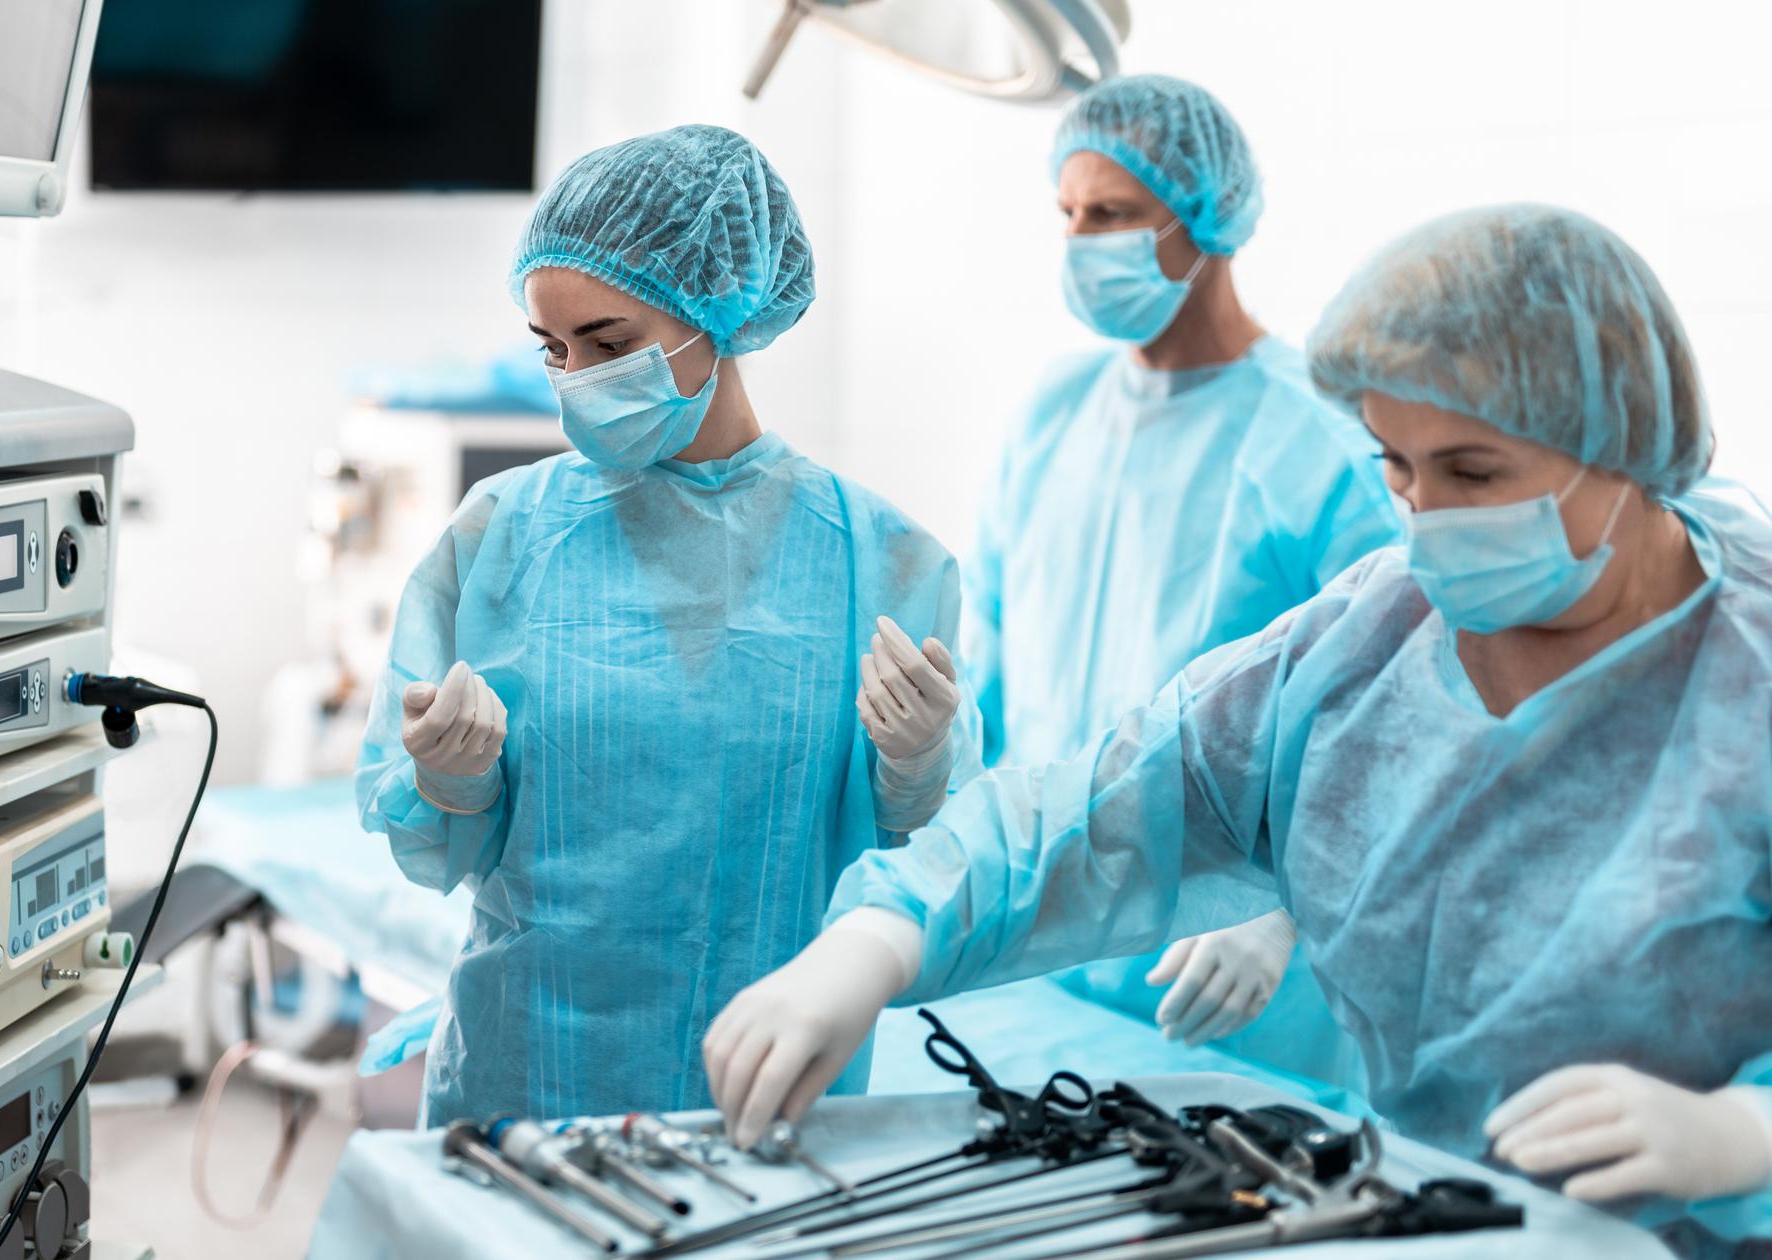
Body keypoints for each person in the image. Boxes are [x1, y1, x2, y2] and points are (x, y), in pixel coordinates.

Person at [705, 204, 1772, 1255]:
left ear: (1628, 441)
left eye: (1473, 472)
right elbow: (1098, 810)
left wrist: (1743, 1134)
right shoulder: (1366, 642)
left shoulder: (1746, 684)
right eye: (1394, 465)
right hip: (1431, 1222)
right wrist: (878, 940)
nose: (1425, 515)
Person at [358, 124, 972, 1126]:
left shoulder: (882, 559)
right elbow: (434, 847)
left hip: (768, 1081)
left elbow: (924, 874)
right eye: (553, 349)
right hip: (527, 1077)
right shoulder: (498, 536)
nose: (576, 379)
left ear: (718, 314)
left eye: (608, 346)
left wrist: (917, 767)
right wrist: (449, 781)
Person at [961, 74, 1397, 1079]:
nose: (1082, 242)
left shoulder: (1317, 441)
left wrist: (1284, 902)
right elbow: (987, 678)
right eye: (1068, 214)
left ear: (1207, 218)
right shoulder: (1052, 414)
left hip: (1226, 979)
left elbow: (1394, 717)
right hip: (1044, 950)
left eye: (1112, 214)